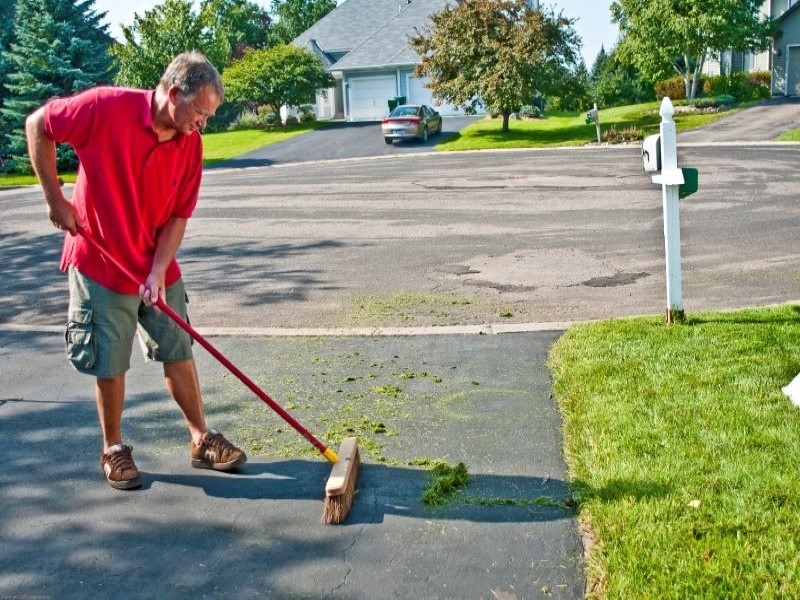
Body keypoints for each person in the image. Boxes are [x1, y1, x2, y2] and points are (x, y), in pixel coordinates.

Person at [25, 51, 247, 490]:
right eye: (199, 112)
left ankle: (201, 438)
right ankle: (113, 449)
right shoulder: (105, 107)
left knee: (178, 347)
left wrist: (159, 271)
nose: (202, 124)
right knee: (111, 359)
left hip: (155, 260)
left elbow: (178, 216)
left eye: (209, 116)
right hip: (101, 261)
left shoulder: (191, 146)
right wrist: (55, 200)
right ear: (172, 93)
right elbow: (38, 124)